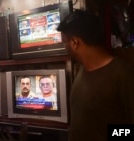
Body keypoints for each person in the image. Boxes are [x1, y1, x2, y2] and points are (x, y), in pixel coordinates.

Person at [57, 10, 134, 141]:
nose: (64, 46)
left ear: (75, 42)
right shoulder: (82, 70)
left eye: (65, 42)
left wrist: (105, 135)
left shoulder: (124, 75)